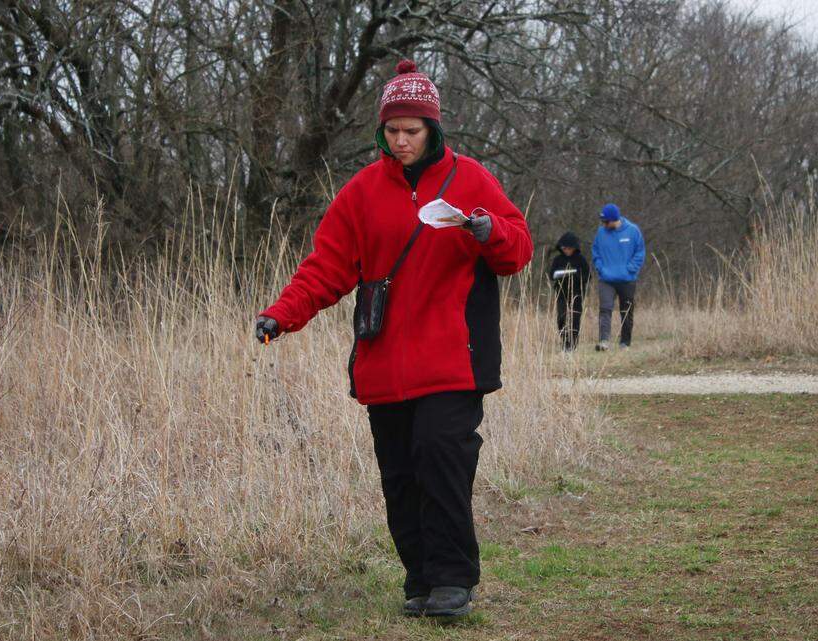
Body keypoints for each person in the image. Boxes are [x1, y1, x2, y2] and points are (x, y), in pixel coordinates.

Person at [254, 60, 532, 619]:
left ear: (434, 130)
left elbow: (518, 250)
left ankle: (453, 581)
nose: (401, 140)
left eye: (413, 130)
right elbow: (326, 269)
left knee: (441, 456)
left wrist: (486, 228)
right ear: (380, 130)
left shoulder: (471, 178)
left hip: (454, 358)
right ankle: (420, 579)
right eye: (392, 130)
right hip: (383, 362)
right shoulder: (360, 192)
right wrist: (282, 315)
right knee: (400, 472)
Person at [590, 203, 645, 350]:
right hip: (606, 279)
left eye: (606, 221)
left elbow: (640, 252)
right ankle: (604, 342)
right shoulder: (601, 233)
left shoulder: (633, 231)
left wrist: (631, 269)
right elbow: (595, 252)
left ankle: (624, 343)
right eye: (603, 222)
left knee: (626, 311)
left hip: (627, 279)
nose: (604, 224)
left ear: (615, 219)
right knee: (605, 309)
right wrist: (600, 268)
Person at [547, 232, 590, 350]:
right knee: (561, 317)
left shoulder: (581, 259)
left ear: (574, 248)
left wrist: (575, 274)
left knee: (575, 317)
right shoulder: (557, 260)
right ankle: (565, 341)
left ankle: (573, 343)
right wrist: (561, 273)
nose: (566, 250)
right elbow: (551, 275)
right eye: (564, 248)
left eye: (569, 248)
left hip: (577, 293)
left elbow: (588, 276)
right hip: (561, 293)